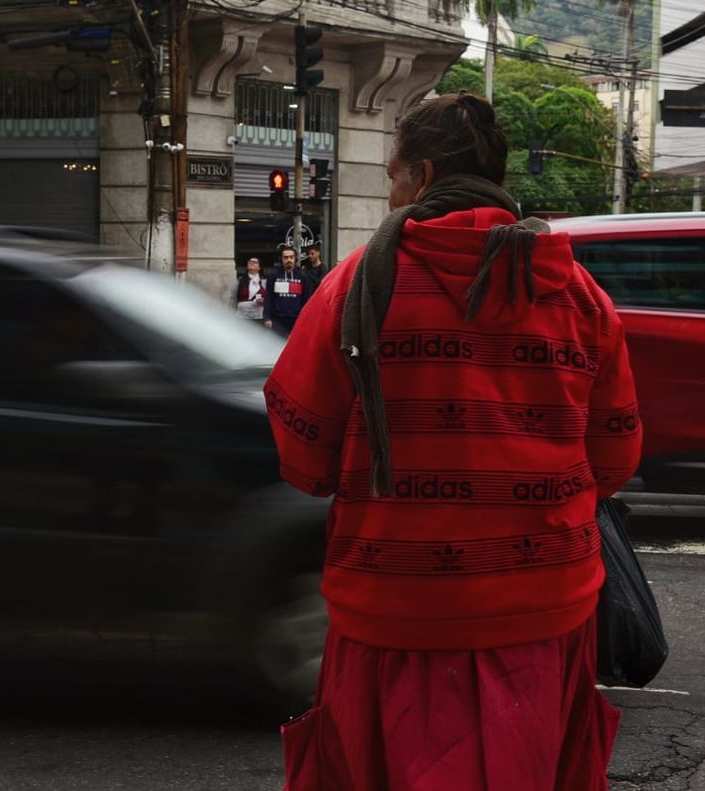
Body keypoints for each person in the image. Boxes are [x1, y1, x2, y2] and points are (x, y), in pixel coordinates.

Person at [265, 92, 642, 791]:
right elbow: (615, 457)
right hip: (545, 609)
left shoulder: (353, 287)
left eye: (392, 176)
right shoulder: (579, 294)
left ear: (424, 175)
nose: (390, 192)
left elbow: (302, 454)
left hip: (393, 613)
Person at [263, 246, 310, 336]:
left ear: (295, 259)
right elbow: (269, 297)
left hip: (297, 319)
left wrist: (306, 319)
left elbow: (307, 299)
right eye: (286, 257)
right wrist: (267, 317)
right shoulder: (274, 275)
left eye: (291, 257)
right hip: (277, 319)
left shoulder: (303, 276)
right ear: (281, 259)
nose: (289, 260)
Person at [233, 256, 266, 322]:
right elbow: (233, 298)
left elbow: (270, 299)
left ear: (259, 267)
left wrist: (264, 301)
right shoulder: (240, 281)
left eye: (255, 262)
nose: (252, 263)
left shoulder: (264, 282)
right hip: (242, 317)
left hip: (259, 317)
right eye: (250, 262)